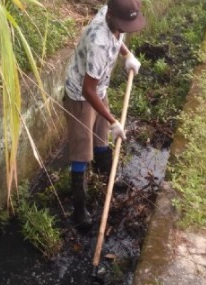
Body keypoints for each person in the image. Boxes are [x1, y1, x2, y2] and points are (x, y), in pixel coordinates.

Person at [63, 0, 146, 230]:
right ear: (110, 17)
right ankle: (79, 212)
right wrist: (113, 120)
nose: (123, 31)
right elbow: (86, 90)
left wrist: (127, 54)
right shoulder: (98, 42)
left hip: (99, 91)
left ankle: (107, 180)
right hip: (81, 97)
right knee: (82, 152)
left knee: (102, 139)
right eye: (121, 26)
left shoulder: (110, 15)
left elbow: (116, 38)